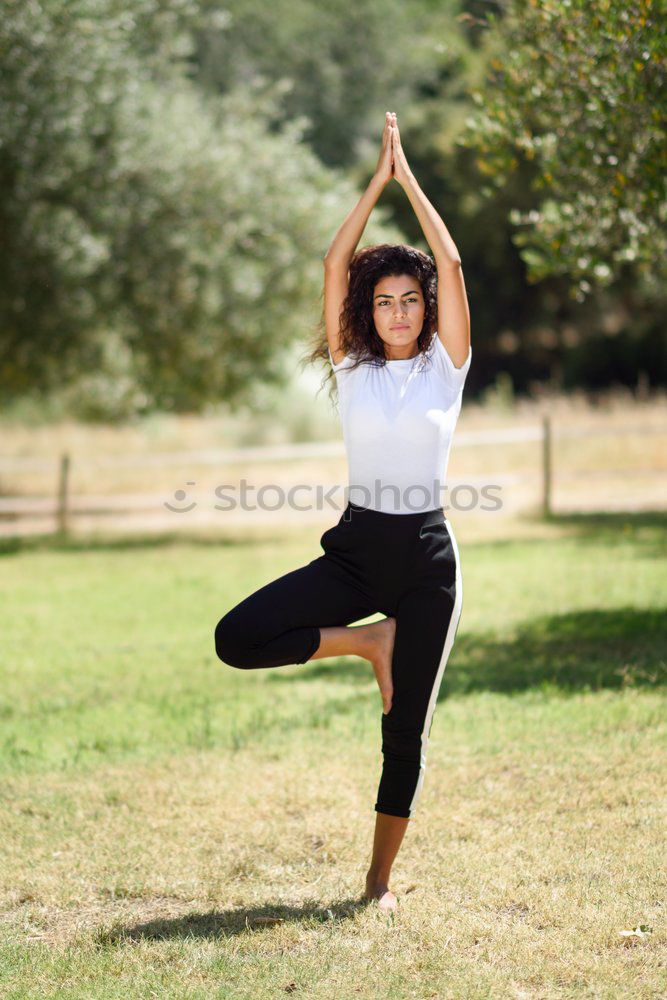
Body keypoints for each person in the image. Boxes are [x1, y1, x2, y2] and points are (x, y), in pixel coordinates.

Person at [215, 111, 472, 912]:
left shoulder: (447, 369)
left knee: (406, 735)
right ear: (370, 309)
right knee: (236, 637)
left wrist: (410, 181)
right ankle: (366, 641)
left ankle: (376, 884)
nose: (397, 312)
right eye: (384, 301)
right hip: (357, 551)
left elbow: (450, 258)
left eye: (409, 301)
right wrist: (374, 182)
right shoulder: (352, 366)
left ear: (426, 309)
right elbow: (335, 260)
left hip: (427, 561)